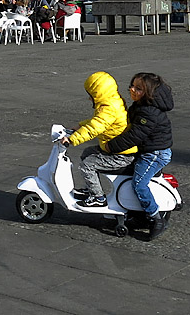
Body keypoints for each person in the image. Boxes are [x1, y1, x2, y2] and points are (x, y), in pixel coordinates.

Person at [106, 73, 175, 240]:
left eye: (138, 88)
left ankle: (155, 218)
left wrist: (112, 146)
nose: (132, 89)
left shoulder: (149, 112)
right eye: (131, 85)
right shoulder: (141, 105)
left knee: (139, 183)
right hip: (149, 150)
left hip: (155, 154)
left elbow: (134, 136)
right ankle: (138, 214)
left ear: (149, 93)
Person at [60, 71, 137, 209]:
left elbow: (95, 128)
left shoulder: (108, 108)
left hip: (120, 155)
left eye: (91, 96)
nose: (89, 99)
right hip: (116, 149)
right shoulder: (111, 101)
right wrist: (79, 125)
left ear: (99, 94)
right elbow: (97, 121)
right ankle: (91, 188)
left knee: (87, 165)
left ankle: (98, 197)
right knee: (87, 153)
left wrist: (72, 140)